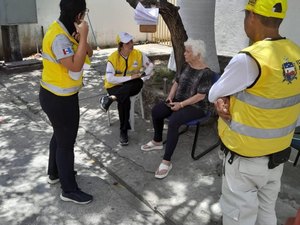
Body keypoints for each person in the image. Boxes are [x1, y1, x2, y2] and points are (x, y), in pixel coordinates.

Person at [208, 0, 300, 224]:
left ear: (251, 16)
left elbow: (213, 93)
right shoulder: (295, 55)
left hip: (245, 161)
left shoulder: (249, 59)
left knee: (238, 217)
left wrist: (221, 99)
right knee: (266, 212)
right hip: (278, 156)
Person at [39, 0, 93, 204]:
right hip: (58, 99)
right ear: (79, 15)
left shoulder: (66, 30)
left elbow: (89, 53)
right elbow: (75, 65)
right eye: (84, 13)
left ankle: (55, 173)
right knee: (66, 143)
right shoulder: (60, 37)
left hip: (61, 96)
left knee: (60, 135)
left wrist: (82, 40)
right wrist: (84, 36)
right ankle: (68, 190)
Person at [141, 39, 214, 179]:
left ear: (197, 54)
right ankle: (157, 141)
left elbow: (200, 96)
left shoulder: (206, 73)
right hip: (179, 101)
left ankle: (166, 161)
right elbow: (176, 82)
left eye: (188, 51)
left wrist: (181, 105)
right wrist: (170, 97)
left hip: (197, 107)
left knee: (174, 121)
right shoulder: (187, 65)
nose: (184, 54)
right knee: (157, 110)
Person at [99, 32, 154, 146]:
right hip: (114, 86)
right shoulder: (113, 57)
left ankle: (111, 99)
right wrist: (130, 77)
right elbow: (109, 78)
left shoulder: (138, 54)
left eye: (131, 41)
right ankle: (123, 131)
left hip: (133, 85)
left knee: (137, 83)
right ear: (121, 45)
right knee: (124, 100)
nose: (131, 44)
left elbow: (150, 65)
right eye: (127, 42)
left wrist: (143, 75)